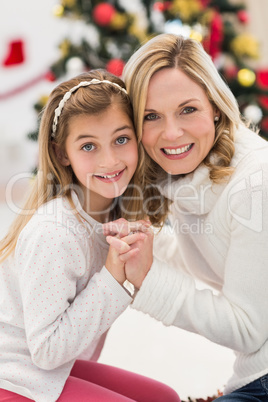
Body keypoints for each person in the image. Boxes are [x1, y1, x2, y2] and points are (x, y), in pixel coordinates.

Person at [103, 33, 268, 401]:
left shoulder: (257, 181)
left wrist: (148, 277)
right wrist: (142, 240)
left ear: (215, 105)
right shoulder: (186, 179)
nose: (172, 132)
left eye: (187, 109)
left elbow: (248, 329)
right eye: (151, 116)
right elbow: (212, 262)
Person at [0, 69, 181, 402]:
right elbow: (47, 351)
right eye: (88, 146)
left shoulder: (113, 212)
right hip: (16, 380)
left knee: (164, 397)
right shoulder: (54, 233)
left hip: (54, 371)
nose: (109, 159)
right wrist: (113, 276)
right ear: (61, 154)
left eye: (121, 139)